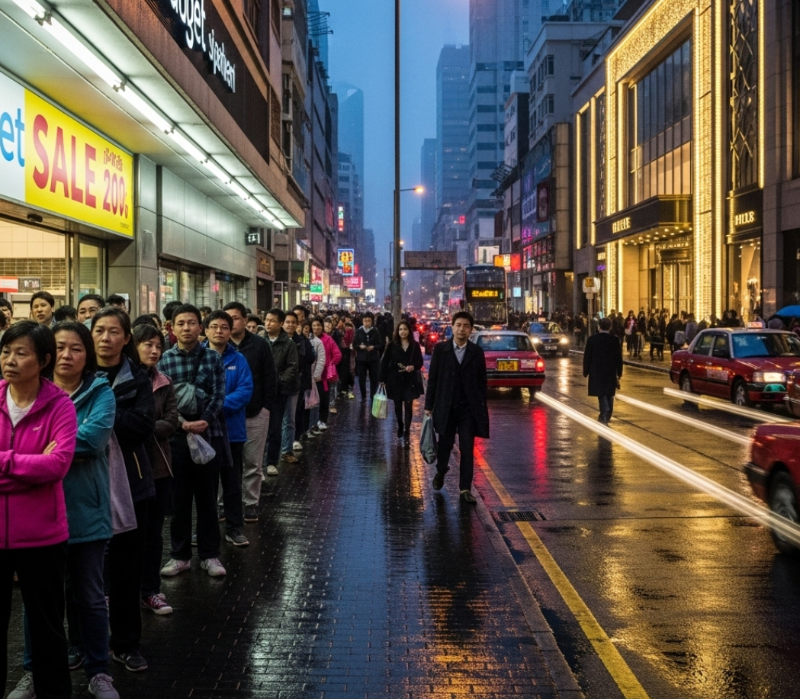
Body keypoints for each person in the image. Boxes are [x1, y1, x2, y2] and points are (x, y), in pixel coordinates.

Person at [0, 321, 76, 699]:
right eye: (6, 351)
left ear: (43, 360)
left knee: (47, 632)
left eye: (21, 353)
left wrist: (2, 463)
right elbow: (43, 468)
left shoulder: (59, 405)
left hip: (43, 538)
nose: (10, 361)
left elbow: (58, 465)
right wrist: (28, 466)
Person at [50, 321, 120, 698]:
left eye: (76, 348)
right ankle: (37, 669)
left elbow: (92, 440)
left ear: (87, 354)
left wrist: (47, 447)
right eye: (60, 347)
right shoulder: (36, 393)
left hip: (87, 511)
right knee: (40, 600)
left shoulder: (100, 392)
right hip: (40, 511)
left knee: (90, 596)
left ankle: (99, 671)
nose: (67, 355)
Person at [91, 307, 156, 673]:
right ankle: (81, 644)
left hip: (133, 484)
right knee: (83, 574)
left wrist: (101, 411)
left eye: (114, 331)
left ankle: (127, 643)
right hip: (85, 485)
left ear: (126, 338)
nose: (105, 338)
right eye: (99, 330)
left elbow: (142, 427)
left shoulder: (139, 378)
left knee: (126, 570)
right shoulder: (80, 376)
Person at [158, 304, 227, 578]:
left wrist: (205, 420)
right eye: (181, 323)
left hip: (207, 436)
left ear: (201, 327)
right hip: (175, 438)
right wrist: (182, 424)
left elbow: (219, 394)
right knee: (179, 501)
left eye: (192, 323)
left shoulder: (212, 358)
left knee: (208, 499)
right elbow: (161, 402)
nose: (186, 328)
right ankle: (180, 555)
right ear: (172, 328)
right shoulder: (163, 361)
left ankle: (210, 555)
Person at [133, 324, 179, 616]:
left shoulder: (164, 381)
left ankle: (149, 590)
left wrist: (142, 426)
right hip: (130, 469)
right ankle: (116, 591)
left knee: (153, 533)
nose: (154, 351)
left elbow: (172, 421)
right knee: (125, 536)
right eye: (147, 345)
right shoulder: (122, 380)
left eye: (158, 346)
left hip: (159, 467)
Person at [425, 312, 489, 504]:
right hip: (446, 407)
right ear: (452, 327)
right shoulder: (441, 350)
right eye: (459, 325)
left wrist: (480, 406)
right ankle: (441, 470)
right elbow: (433, 380)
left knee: (467, 449)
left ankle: (465, 489)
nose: (462, 329)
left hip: (467, 409)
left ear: (471, 329)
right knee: (445, 445)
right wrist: (429, 406)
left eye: (466, 326)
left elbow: (481, 382)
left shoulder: (476, 352)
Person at [222, 302, 276, 526]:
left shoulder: (259, 345)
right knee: (224, 462)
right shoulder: (217, 346)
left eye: (236, 318)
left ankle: (250, 502)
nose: (231, 323)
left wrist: (266, 408)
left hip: (255, 412)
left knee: (253, 461)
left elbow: (269, 377)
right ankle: (222, 503)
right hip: (224, 415)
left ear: (245, 320)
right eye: (227, 319)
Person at [204, 310, 252, 547]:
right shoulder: (198, 357)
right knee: (206, 486)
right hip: (204, 432)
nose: (219, 331)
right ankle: (205, 528)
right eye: (214, 326)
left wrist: (216, 407)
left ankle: (234, 527)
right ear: (206, 330)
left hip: (232, 431)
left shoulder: (238, 359)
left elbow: (245, 390)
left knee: (232, 483)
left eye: (224, 327)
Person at [264, 308, 299, 476]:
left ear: (280, 323)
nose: (268, 323)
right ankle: (259, 461)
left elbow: (292, 367)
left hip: (279, 391)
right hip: (260, 391)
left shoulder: (288, 343)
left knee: (275, 426)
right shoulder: (260, 340)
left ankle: (271, 461)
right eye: (267, 320)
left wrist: (278, 382)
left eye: (272, 321)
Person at [380, 320, 424, 445]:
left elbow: (419, 362)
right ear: (397, 331)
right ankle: (400, 424)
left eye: (405, 329)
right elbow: (384, 363)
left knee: (409, 406)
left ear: (409, 331)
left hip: (410, 380)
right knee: (398, 405)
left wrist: (413, 366)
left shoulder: (415, 345)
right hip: (395, 379)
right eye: (400, 329)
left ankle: (407, 431)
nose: (402, 332)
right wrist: (382, 379)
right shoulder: (392, 345)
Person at [583, 316, 623, 426]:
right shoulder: (614, 340)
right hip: (610, 371)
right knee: (610, 392)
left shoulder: (592, 339)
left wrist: (586, 371)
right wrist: (619, 372)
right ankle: (607, 412)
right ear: (610, 327)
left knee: (601, 393)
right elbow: (618, 358)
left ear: (599, 326)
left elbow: (587, 357)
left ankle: (604, 411)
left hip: (597, 370)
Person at [283, 312, 311, 458]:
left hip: (294, 384)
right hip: (275, 386)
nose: (290, 325)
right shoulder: (273, 340)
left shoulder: (301, 341)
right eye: (288, 322)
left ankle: (288, 448)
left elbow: (302, 361)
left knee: (290, 417)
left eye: (293, 322)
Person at [311, 317, 341, 432]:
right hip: (309, 375)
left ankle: (322, 420)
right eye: (314, 325)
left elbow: (337, 355)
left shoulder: (328, 339)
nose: (316, 328)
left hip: (323, 376)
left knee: (323, 398)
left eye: (318, 325)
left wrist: (330, 365)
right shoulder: (307, 339)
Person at [354, 312, 383, 401]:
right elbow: (354, 344)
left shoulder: (375, 330)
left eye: (369, 321)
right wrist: (360, 347)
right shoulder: (359, 331)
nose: (367, 323)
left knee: (374, 378)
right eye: (365, 321)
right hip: (361, 359)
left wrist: (374, 347)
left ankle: (373, 396)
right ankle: (363, 396)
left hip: (373, 359)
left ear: (372, 321)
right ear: (362, 321)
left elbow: (380, 344)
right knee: (361, 378)